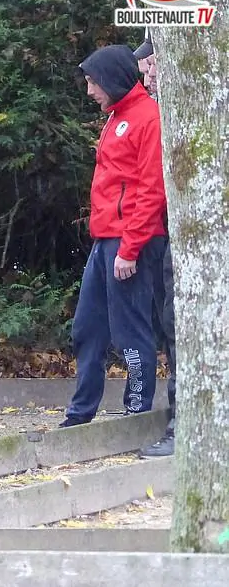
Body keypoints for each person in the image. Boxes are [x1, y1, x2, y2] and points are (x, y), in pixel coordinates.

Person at [60, 44, 167, 427]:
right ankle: (80, 414)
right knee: (87, 327)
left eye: (94, 82)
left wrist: (130, 248)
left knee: (130, 330)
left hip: (131, 241)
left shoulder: (148, 118)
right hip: (106, 238)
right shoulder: (117, 116)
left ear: (113, 79)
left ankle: (137, 414)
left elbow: (151, 189)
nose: (90, 91)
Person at [133, 32, 177, 457]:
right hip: (170, 231)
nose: (147, 80)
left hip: (187, 234)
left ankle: (184, 425)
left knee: (178, 324)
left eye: (151, 68)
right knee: (170, 323)